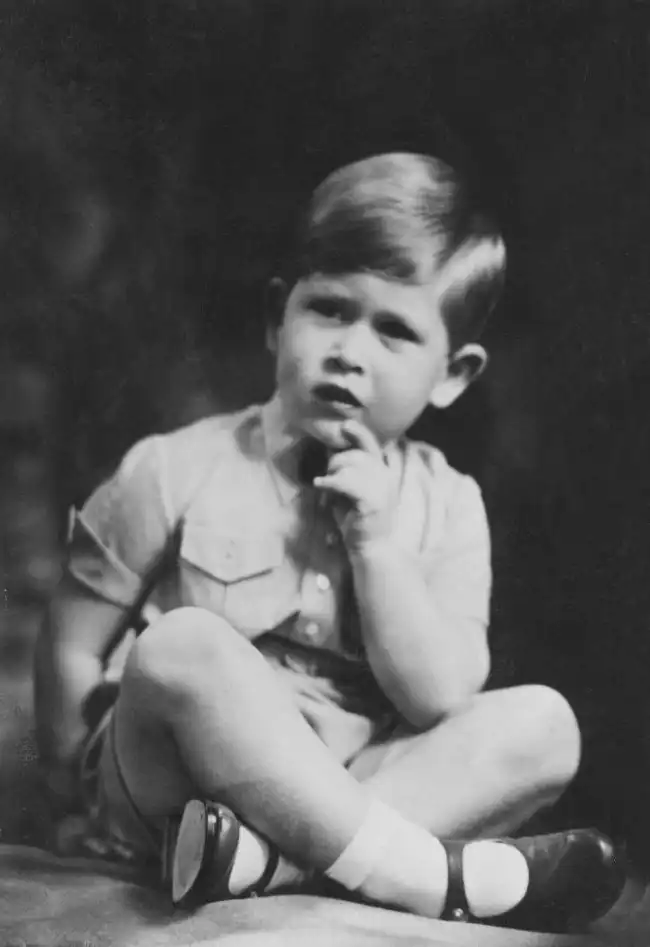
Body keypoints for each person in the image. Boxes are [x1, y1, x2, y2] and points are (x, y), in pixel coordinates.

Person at [34, 153, 624, 931]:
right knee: (181, 646)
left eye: (395, 331)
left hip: (348, 782)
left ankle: (270, 863)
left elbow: (440, 697)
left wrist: (378, 547)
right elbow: (71, 638)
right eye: (330, 310)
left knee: (545, 724)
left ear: (452, 374)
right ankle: (420, 873)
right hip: (170, 788)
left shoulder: (449, 504)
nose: (350, 350)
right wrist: (69, 795)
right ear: (277, 319)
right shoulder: (175, 466)